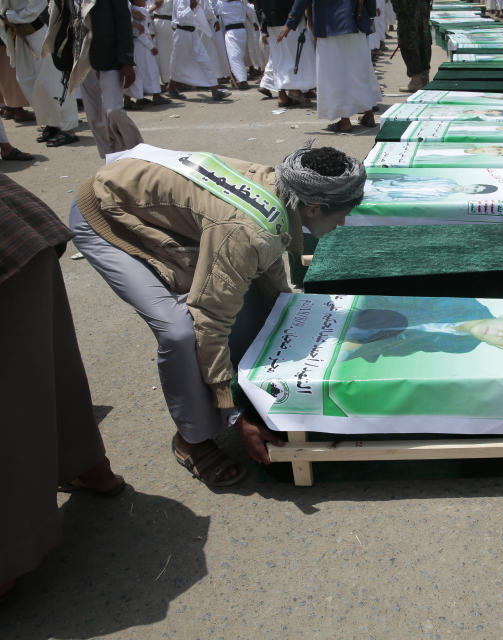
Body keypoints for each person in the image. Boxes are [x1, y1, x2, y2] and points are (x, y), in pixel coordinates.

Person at [70, 142, 366, 486]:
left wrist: (293, 315)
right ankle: (191, 440)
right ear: (313, 208)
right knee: (181, 331)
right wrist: (233, 414)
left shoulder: (283, 190)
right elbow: (209, 320)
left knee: (248, 299)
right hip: (107, 214)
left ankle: (232, 388)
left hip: (154, 204)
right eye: (341, 214)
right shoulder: (246, 231)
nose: (344, 223)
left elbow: (267, 267)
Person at [0, 173, 125, 602]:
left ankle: (9, 557)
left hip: (10, 244)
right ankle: (90, 467)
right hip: (19, 233)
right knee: (48, 368)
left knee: (12, 398)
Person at [46, 0, 144, 157]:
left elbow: (123, 20)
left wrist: (127, 61)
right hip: (82, 58)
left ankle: (139, 151)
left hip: (110, 57)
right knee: (95, 117)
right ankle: (109, 158)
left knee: (114, 111)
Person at [340, 296, 503, 362]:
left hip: (373, 345)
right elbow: (392, 302)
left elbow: (415, 345)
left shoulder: (464, 346)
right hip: (359, 317)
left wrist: (372, 350)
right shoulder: (465, 303)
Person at [277, 0, 381, 133]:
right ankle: (369, 114)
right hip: (356, 21)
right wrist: (371, 15)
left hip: (329, 25)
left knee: (335, 74)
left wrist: (290, 22)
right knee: (359, 71)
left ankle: (345, 121)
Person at [0, 0, 80, 146]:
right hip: (17, 33)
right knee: (26, 79)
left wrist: (11, 17)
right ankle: (52, 122)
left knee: (52, 79)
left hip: (37, 31)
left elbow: (37, 6)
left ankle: (68, 129)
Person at [256, 0, 315, 107]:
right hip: (288, 18)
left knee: (277, 58)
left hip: (270, 20)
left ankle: (282, 96)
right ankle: (294, 90)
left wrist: (263, 28)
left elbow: (256, 3)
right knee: (295, 55)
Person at [168, 0, 231, 100]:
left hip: (193, 33)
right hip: (182, 33)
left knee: (204, 59)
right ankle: (171, 87)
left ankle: (215, 90)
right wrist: (191, 7)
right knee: (178, 63)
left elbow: (201, 12)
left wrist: (212, 20)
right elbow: (181, 17)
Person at [392, 0, 431, 93]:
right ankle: (424, 80)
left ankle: (416, 82)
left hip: (408, 19)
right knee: (423, 44)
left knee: (409, 47)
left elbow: (399, 7)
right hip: (421, 15)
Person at [364, 173, 498, 200]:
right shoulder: (446, 179)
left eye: (474, 191)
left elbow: (407, 199)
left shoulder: (439, 197)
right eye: (475, 186)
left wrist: (383, 196)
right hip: (381, 183)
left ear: (472, 194)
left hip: (381, 194)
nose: (470, 188)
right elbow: (415, 178)